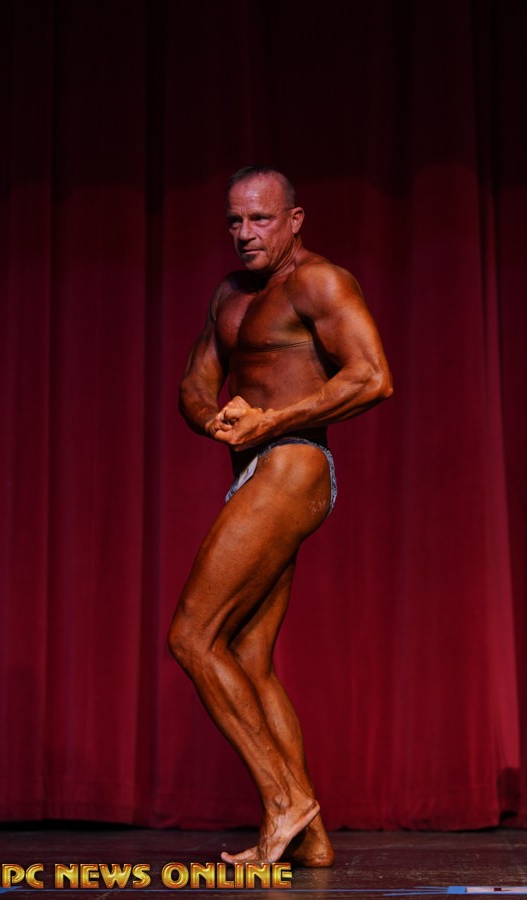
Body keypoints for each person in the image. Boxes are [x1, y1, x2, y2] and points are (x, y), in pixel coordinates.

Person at [168, 166, 393, 865]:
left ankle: (285, 800)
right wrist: (214, 420)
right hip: (255, 468)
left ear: (295, 220)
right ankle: (312, 839)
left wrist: (272, 421)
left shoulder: (319, 282)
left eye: (260, 219)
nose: (245, 233)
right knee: (248, 658)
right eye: (235, 221)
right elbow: (196, 382)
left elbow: (372, 377)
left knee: (192, 637)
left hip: (294, 462)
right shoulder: (230, 296)